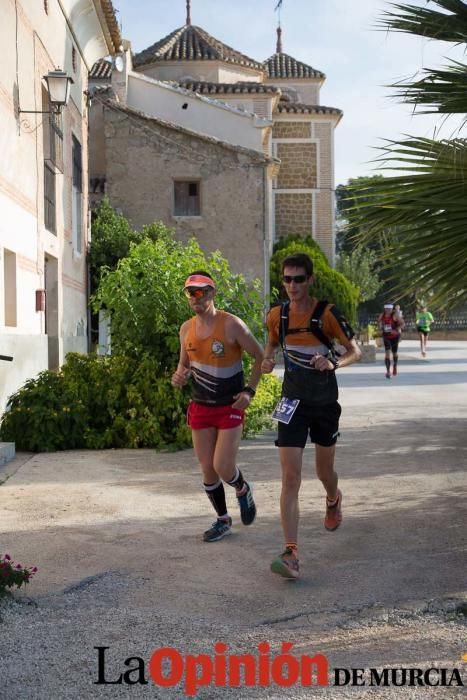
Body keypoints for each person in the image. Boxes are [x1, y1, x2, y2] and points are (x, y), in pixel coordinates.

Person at [261, 253, 361, 579]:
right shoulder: (277, 315)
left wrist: (333, 363)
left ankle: (333, 497)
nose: (292, 286)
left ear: (310, 280)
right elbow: (272, 344)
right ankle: (291, 552)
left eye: (298, 279)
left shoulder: (327, 315)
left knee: (323, 471)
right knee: (290, 477)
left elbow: (354, 351)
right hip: (290, 402)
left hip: (323, 403)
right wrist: (267, 358)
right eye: (287, 279)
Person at [171, 271, 264, 543]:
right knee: (207, 469)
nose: (196, 297)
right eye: (191, 292)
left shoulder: (232, 325)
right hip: (200, 406)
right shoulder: (185, 329)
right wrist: (180, 375)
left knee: (223, 466)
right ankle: (223, 520)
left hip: (229, 405)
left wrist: (250, 390)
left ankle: (242, 488)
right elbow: (184, 363)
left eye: (202, 291)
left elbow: (259, 356)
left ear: (213, 293)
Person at [378, 303, 404, 378]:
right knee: (387, 353)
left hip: (395, 336)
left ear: (392, 309)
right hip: (386, 336)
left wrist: (397, 329)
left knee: (394, 352)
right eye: (387, 309)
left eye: (389, 309)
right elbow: (379, 323)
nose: (388, 311)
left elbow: (402, 324)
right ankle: (388, 371)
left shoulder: (395, 315)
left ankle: (395, 365)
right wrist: (380, 327)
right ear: (385, 309)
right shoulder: (382, 315)